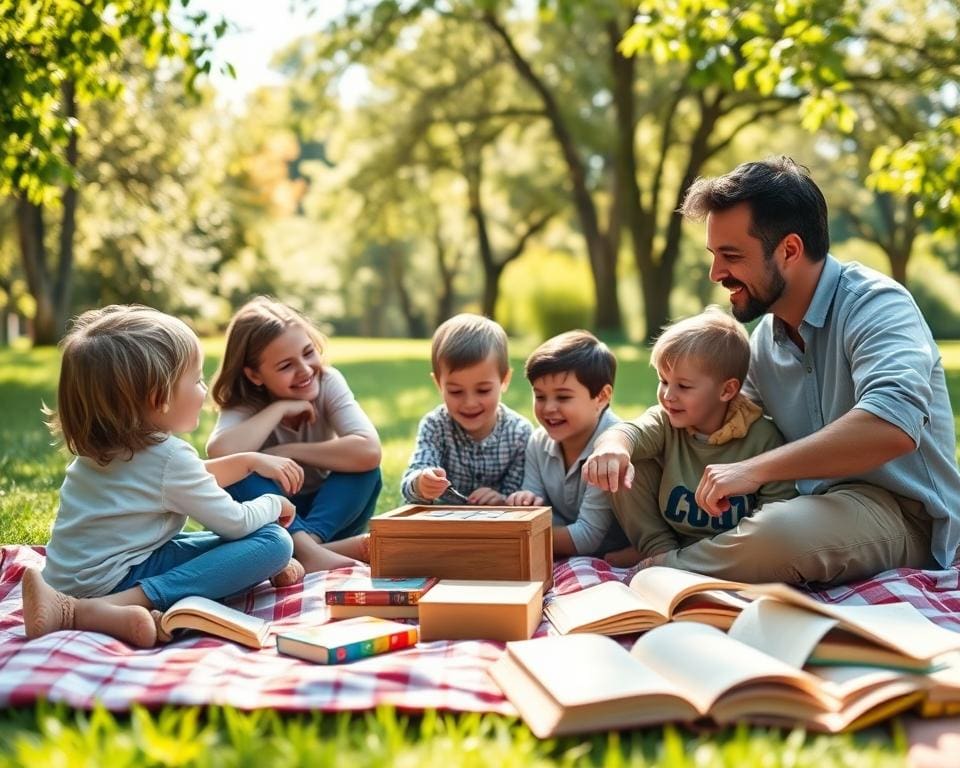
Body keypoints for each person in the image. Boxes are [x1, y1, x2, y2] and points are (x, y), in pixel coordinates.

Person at [587, 156, 960, 585]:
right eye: (714, 255)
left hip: (903, 513)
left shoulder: (877, 305)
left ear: (789, 250)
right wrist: (619, 439)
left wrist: (755, 469)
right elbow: (709, 414)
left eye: (730, 255)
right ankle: (668, 553)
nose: (716, 273)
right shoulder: (766, 338)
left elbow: (891, 425)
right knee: (647, 459)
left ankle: (666, 574)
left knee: (780, 534)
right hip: (809, 505)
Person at [22, 305, 300, 648]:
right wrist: (274, 503)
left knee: (219, 547)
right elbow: (237, 524)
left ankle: (83, 606)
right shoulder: (169, 459)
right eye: (197, 379)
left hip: (65, 577)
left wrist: (248, 461)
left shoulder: (107, 449)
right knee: (273, 542)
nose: (204, 388)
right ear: (160, 399)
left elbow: (186, 479)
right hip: (112, 583)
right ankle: (93, 611)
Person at [584, 307, 795, 568]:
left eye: (683, 386)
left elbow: (776, 508)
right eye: (663, 381)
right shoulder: (666, 420)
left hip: (728, 550)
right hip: (669, 538)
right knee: (627, 464)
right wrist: (613, 447)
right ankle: (657, 551)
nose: (668, 395)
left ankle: (672, 561)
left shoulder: (763, 438)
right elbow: (631, 431)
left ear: (727, 390)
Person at [207, 297, 382, 572]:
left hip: (328, 514)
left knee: (365, 471)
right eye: (286, 366)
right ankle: (310, 551)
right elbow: (220, 453)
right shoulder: (246, 402)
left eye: (308, 352)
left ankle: (307, 548)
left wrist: (287, 452)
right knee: (240, 472)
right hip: (271, 516)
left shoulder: (327, 381)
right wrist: (279, 408)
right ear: (255, 375)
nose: (305, 370)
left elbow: (369, 450)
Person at [505, 330, 629, 558]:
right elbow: (535, 504)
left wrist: (514, 536)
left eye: (563, 397)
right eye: (540, 396)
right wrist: (526, 501)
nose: (548, 408)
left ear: (601, 397)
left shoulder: (610, 448)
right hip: (565, 543)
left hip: (613, 552)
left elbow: (587, 537)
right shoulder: (538, 441)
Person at [401, 313, 532, 505]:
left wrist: (502, 499)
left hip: (493, 528)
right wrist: (421, 483)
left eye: (483, 390)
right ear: (439, 384)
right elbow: (413, 478)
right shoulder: (435, 426)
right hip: (440, 526)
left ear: (504, 380)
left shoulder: (520, 433)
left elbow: (521, 495)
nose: (470, 402)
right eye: (455, 391)